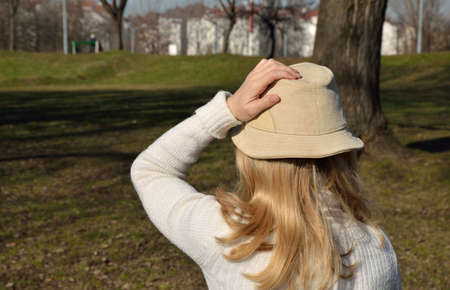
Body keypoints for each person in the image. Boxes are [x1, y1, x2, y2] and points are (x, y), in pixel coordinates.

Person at [130, 59, 402, 289]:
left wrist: (229, 110)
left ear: (252, 157)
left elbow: (151, 169)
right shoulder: (377, 247)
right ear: (342, 154)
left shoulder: (226, 234)